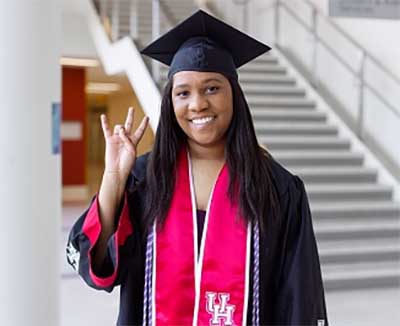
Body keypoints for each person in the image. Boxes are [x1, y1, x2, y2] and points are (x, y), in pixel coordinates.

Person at [66, 10, 328, 326]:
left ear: (235, 95)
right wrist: (114, 179)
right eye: (183, 92)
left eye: (212, 88)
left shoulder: (278, 188)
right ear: (170, 102)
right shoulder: (143, 179)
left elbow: (300, 296)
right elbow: (99, 269)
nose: (197, 104)